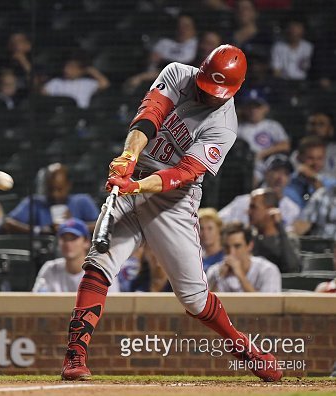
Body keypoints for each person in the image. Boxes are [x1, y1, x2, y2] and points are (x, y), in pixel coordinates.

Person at [61, 45, 283, 383]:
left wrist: (136, 187)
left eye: (218, 93)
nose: (210, 97)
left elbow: (183, 172)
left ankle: (243, 347)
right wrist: (128, 157)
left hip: (174, 198)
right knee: (99, 261)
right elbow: (149, 115)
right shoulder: (179, 74)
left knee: (194, 299)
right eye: (207, 87)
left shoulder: (225, 126)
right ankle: (75, 356)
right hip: (136, 173)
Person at [4, 163, 99, 235]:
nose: (55, 194)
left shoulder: (82, 201)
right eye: (50, 189)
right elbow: (8, 223)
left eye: (59, 189)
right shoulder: (35, 202)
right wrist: (41, 230)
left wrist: (73, 225)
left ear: (68, 185)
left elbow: (102, 226)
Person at [33, 218, 119, 293]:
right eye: (64, 239)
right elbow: (37, 302)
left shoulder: (102, 271)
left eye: (73, 238)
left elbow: (113, 306)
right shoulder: (50, 268)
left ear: (86, 242)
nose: (68, 243)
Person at [219, 154, 300, 228]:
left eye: (285, 174)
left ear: (289, 179)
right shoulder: (242, 202)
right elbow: (218, 221)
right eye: (276, 171)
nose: (280, 178)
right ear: (266, 173)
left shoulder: (293, 210)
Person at [124, 14, 198, 93]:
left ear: (194, 29)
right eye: (179, 26)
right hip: (150, 80)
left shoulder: (197, 45)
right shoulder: (164, 42)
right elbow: (150, 61)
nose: (182, 29)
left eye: (186, 26)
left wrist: (142, 77)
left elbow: (179, 68)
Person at [207, 222, 282, 292]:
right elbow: (206, 305)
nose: (231, 252)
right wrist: (218, 279)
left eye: (237, 246)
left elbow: (267, 305)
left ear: (250, 246)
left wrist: (241, 276)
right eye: (226, 247)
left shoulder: (267, 270)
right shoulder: (214, 272)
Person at [236, 88, 290, 185]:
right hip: (248, 167)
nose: (253, 110)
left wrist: (263, 153)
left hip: (270, 164)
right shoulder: (239, 128)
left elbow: (285, 145)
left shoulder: (272, 125)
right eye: (249, 107)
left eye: (257, 106)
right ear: (244, 109)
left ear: (266, 108)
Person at [247, 188, 299, 273]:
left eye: (253, 207)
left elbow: (292, 268)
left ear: (270, 210)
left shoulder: (289, 239)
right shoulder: (249, 239)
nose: (248, 212)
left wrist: (280, 227)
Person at [42, 51, 110, 109]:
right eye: (66, 66)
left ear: (81, 70)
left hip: (78, 115)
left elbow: (105, 83)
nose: (67, 70)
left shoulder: (87, 83)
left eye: (72, 67)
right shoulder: (56, 82)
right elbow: (44, 94)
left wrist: (90, 70)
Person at [284, 136, 336, 209]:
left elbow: (330, 209)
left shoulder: (332, 184)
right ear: (299, 158)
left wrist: (315, 180)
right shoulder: (287, 182)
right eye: (310, 158)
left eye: (319, 158)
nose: (315, 163)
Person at [290, 110, 336, 178]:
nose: (316, 128)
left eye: (321, 124)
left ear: (330, 129)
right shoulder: (297, 154)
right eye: (312, 124)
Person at [198, 207, 224, 272]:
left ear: (219, 229)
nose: (205, 233)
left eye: (210, 228)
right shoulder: (196, 257)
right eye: (201, 228)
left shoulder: (226, 256)